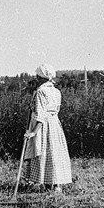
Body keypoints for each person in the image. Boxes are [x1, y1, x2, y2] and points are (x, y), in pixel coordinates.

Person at [23, 64, 72, 192]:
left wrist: (33, 132)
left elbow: (40, 113)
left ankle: (48, 183)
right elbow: (56, 110)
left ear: (43, 78)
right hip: (55, 124)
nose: (36, 78)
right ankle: (55, 184)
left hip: (43, 126)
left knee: (43, 152)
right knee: (54, 153)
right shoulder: (56, 92)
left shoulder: (40, 91)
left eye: (38, 76)